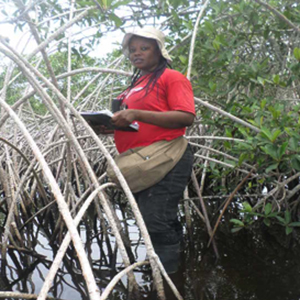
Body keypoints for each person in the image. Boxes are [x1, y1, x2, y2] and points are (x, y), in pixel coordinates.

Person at [92, 27, 195, 275]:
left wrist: (135, 113)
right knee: (156, 219)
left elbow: (185, 117)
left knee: (155, 221)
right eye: (133, 49)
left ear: (159, 51)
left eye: (144, 48)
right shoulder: (134, 86)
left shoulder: (171, 77)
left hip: (167, 157)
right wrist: (111, 127)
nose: (136, 53)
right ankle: (172, 267)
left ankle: (169, 279)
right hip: (140, 160)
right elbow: (139, 125)